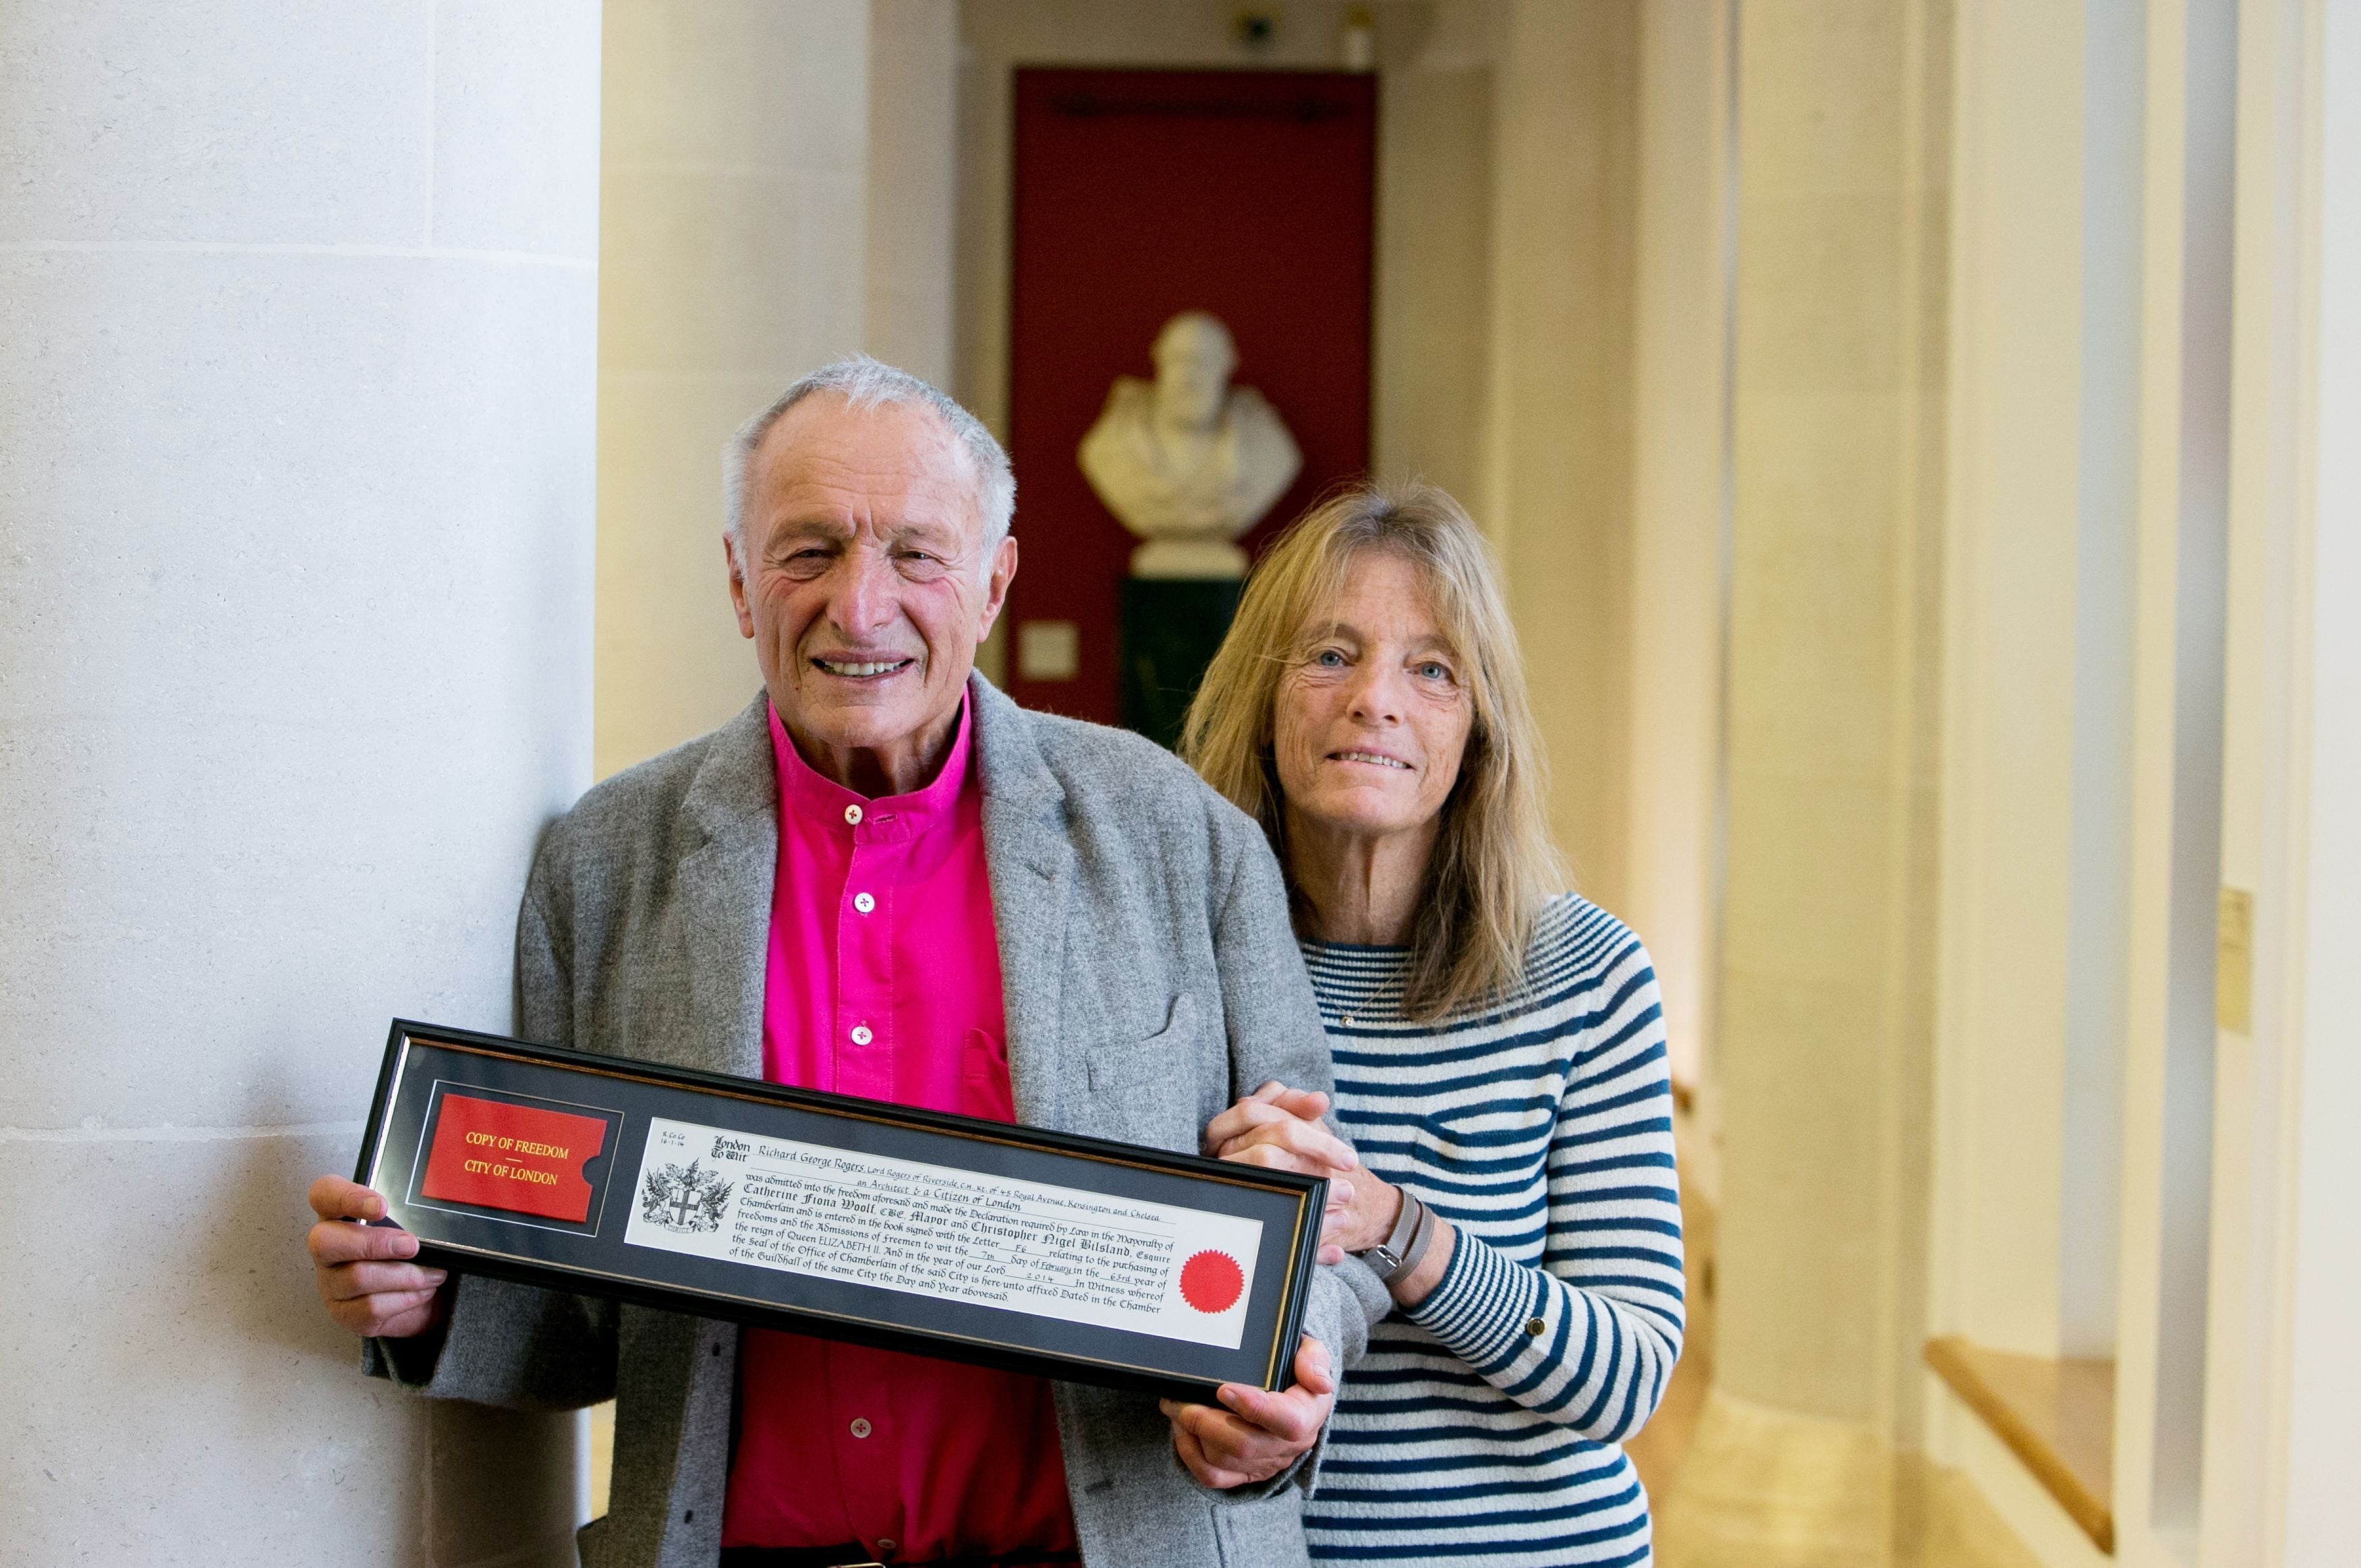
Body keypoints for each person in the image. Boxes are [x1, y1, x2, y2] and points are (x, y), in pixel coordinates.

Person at [305, 357, 1389, 1568]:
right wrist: (436, 1294)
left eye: (916, 555)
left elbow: (1320, 1232)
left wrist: (1287, 1391)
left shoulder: (1176, 835)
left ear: (994, 581)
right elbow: (580, 1307)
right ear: (737, 580)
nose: (860, 607)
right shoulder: (605, 865)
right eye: (809, 551)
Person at [1180, 482, 1686, 1566]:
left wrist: (1393, 1226)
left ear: (1477, 729)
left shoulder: (1587, 975)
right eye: (1329, 654)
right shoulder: (1180, 971)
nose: (1376, 699)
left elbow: (1631, 1375)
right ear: (1260, 703)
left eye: (1432, 668)